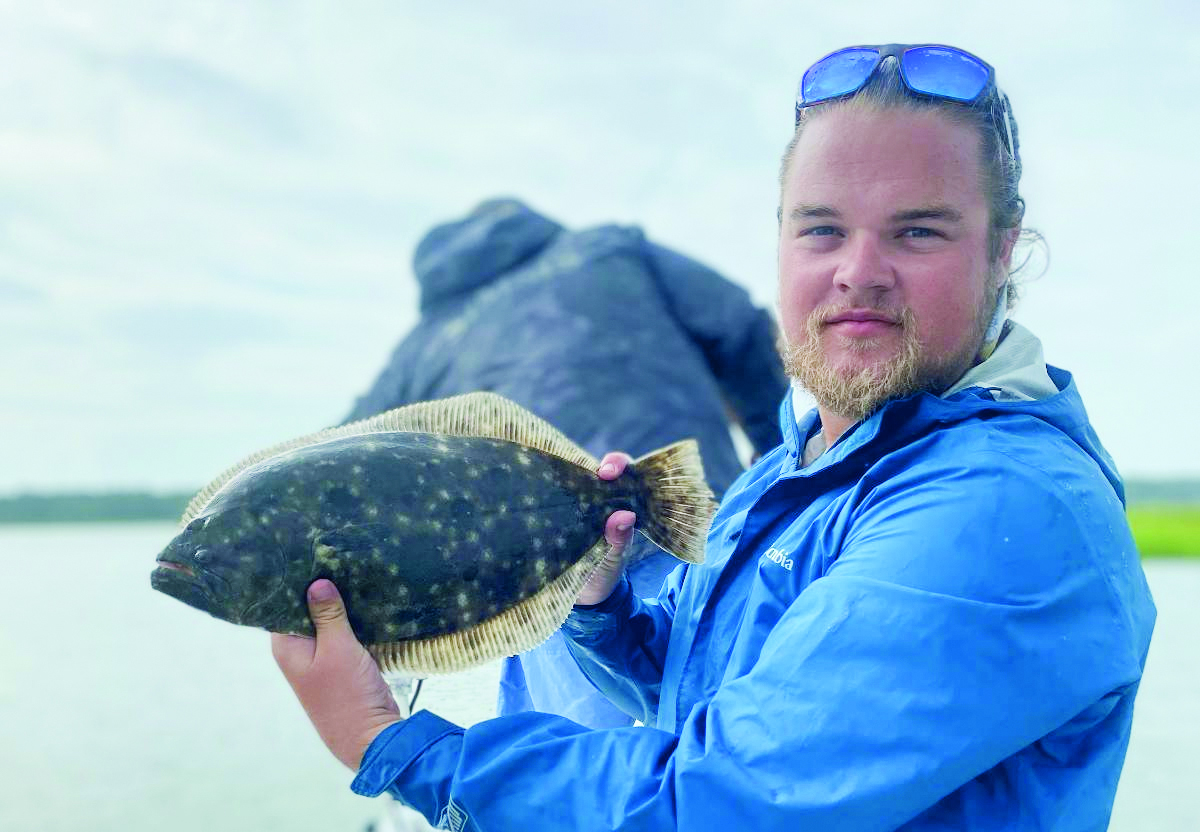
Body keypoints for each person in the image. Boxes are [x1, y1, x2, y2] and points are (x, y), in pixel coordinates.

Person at [272, 44, 1156, 830]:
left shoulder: (1000, 504)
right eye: (821, 228)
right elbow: (715, 693)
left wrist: (388, 743)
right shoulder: (803, 464)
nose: (857, 272)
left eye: (918, 231)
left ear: (1004, 253)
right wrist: (602, 612)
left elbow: (717, 801)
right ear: (779, 241)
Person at [340, 197, 789, 728]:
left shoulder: (422, 348)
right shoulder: (613, 249)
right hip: (699, 517)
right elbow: (738, 325)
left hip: (554, 586)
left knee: (594, 772)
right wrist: (779, 455)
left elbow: (337, 467)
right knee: (755, 730)